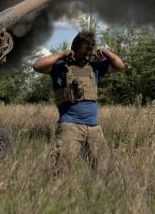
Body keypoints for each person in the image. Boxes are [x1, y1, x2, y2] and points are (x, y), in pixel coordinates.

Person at [33, 30, 125, 172]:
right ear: (74, 50)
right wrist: (61, 55)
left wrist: (107, 53)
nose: (86, 57)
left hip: (94, 128)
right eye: (83, 53)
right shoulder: (60, 66)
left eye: (89, 54)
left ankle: (101, 194)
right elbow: (37, 66)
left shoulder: (95, 66)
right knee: (60, 171)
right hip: (70, 126)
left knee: (105, 171)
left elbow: (120, 66)